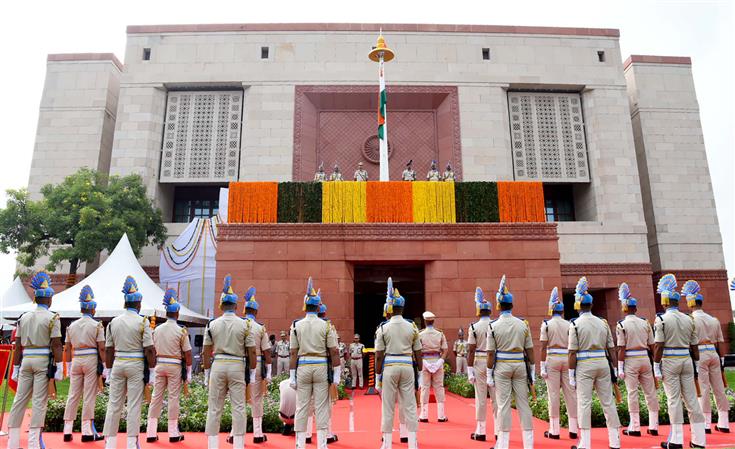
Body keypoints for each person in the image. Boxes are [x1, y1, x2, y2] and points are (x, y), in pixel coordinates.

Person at [7, 271, 63, 449]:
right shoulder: (53, 318)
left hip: (26, 360)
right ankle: (33, 444)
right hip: (42, 360)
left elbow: (17, 346)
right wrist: (60, 366)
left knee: (19, 400)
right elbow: (55, 345)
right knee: (39, 401)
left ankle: (13, 442)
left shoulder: (24, 317)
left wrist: (15, 367)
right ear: (48, 300)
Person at [202, 275, 257, 449]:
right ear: (235, 305)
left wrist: (206, 373)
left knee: (214, 407)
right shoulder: (245, 325)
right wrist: (252, 373)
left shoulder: (212, 324)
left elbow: (205, 351)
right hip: (237, 365)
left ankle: (212, 445)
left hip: (218, 364)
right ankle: (238, 445)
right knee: (239, 407)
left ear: (221, 304)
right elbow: (252, 352)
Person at [102, 276, 156, 449]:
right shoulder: (142, 322)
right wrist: (152, 370)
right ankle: (131, 443)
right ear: (138, 304)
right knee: (134, 405)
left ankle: (110, 442)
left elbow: (109, 349)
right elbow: (149, 348)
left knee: (114, 404)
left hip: (118, 363)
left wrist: (108, 371)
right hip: (136, 364)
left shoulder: (113, 322)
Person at [568, 277, 620, 449]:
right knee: (608, 402)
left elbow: (572, 352)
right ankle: (615, 441)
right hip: (603, 363)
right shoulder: (602, 322)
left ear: (578, 305)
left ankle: (586, 443)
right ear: (591, 305)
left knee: (584, 402)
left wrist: (571, 374)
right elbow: (611, 348)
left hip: (584, 364)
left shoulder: (575, 324)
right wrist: (614, 368)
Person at [654, 274, 706, 448]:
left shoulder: (661, 319)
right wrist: (697, 365)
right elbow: (695, 346)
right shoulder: (688, 319)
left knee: (673, 399)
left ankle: (676, 440)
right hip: (686, 359)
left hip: (670, 359)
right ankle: (699, 440)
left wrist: (656, 366)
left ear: (666, 301)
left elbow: (659, 345)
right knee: (691, 399)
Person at [289, 277, 340, 449]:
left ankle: (300, 444)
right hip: (320, 366)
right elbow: (334, 351)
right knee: (321, 406)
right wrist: (337, 375)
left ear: (305, 306)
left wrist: (291, 376)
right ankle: (322, 445)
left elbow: (293, 352)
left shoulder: (296, 325)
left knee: (302, 406)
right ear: (318, 307)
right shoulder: (326, 326)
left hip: (303, 365)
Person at [485, 276, 535, 449]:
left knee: (503, 405)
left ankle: (503, 445)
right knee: (524, 404)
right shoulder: (523, 324)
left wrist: (489, 374)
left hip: (502, 367)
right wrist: (533, 370)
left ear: (498, 306)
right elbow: (530, 350)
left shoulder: (493, 326)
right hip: (520, 365)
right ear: (512, 305)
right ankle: (528, 444)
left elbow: (490, 353)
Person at [375, 277, 421, 449]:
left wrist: (377, 377)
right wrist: (421, 373)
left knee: (388, 406)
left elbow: (379, 355)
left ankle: (387, 443)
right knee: (409, 405)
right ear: (402, 308)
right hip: (407, 366)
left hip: (390, 367)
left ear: (390, 308)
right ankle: (412, 443)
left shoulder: (383, 327)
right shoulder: (412, 327)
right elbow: (418, 352)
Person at [684, 280, 730, 434]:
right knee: (719, 388)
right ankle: (724, 423)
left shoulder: (690, 320)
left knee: (703, 389)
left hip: (700, 354)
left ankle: (705, 423)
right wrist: (722, 360)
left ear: (691, 303)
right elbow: (720, 343)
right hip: (714, 353)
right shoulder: (714, 319)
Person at [147, 288, 192, 443]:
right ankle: (173, 433)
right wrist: (189, 371)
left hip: (160, 364)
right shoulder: (181, 331)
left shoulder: (157, 330)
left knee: (156, 397)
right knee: (173, 398)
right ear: (177, 313)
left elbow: (152, 350)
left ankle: (151, 432)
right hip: (174, 366)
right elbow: (187, 353)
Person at [63, 285, 107, 442]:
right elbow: (102, 348)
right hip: (90, 359)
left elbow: (67, 348)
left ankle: (67, 429)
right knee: (89, 395)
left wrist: (67, 366)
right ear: (93, 310)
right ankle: (86, 431)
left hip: (76, 359)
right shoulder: (97, 325)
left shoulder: (71, 326)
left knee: (73, 394)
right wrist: (106, 366)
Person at [615, 283, 659, 437]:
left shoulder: (622, 324)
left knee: (632, 393)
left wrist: (619, 367)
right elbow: (652, 345)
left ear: (625, 308)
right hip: (645, 359)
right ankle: (654, 426)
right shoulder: (645, 322)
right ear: (636, 308)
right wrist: (656, 365)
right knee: (650, 392)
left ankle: (635, 427)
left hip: (630, 360)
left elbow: (621, 348)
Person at [540, 287, 578, 440]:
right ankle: (573, 429)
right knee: (571, 395)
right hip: (567, 358)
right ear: (562, 311)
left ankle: (554, 430)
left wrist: (542, 366)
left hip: (553, 358)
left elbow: (543, 347)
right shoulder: (569, 324)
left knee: (553, 395)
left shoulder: (547, 325)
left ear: (551, 309)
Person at [467, 287, 497, 441]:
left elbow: (471, 350)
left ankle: (481, 431)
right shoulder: (496, 325)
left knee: (481, 397)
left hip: (479, 360)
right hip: (494, 361)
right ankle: (499, 430)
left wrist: (469, 369)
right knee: (496, 397)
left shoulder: (473, 327)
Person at [418, 311, 448, 422]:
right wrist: (440, 362)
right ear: (433, 321)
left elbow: (416, 351)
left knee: (425, 387)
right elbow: (445, 349)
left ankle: (424, 415)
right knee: (439, 387)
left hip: (425, 361)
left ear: (425, 321)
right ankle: (441, 415)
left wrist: (423, 363)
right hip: (437, 360)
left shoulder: (420, 334)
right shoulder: (440, 333)